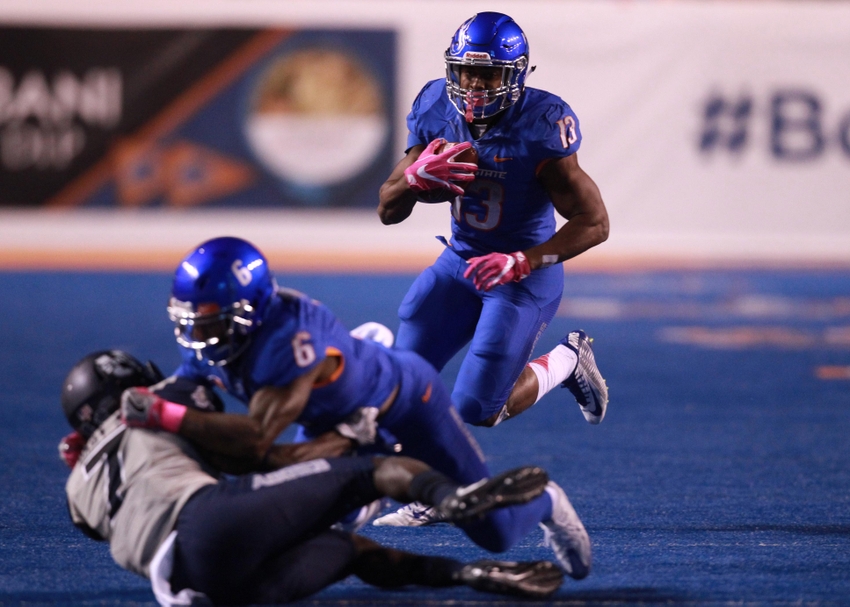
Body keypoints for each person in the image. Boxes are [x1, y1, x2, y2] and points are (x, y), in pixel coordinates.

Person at [122, 235, 593, 580]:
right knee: (309, 521)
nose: (201, 336)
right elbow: (178, 392)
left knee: (495, 531)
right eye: (194, 321)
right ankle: (367, 474)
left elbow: (257, 438)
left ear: (253, 310)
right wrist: (107, 426)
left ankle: (547, 499)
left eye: (213, 322)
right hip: (340, 421)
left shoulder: (290, 338)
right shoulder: (211, 342)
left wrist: (165, 417)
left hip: (407, 404)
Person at [60, 349, 565, 605]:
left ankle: (468, 576)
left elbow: (89, 524)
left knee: (350, 551)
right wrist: (347, 436)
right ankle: (454, 501)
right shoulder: (154, 405)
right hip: (208, 523)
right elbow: (252, 454)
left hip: (190, 588)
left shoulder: (76, 485)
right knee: (371, 473)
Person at [376, 11, 610, 432]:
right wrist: (413, 180)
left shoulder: (542, 125)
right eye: (466, 73)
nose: (474, 86)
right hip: (459, 263)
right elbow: (388, 211)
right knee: (397, 388)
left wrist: (524, 260)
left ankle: (567, 359)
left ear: (516, 76)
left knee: (477, 410)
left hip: (521, 277)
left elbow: (594, 223)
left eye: (487, 75)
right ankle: (417, 489)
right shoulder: (435, 106)